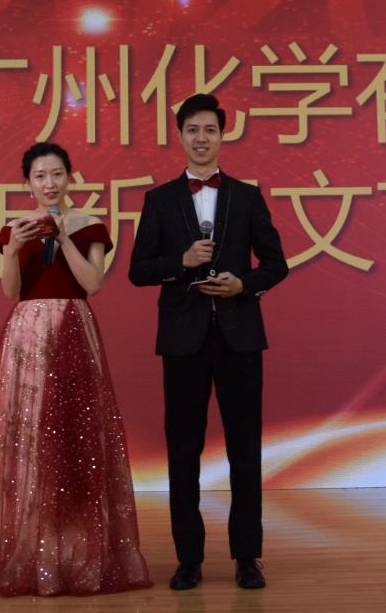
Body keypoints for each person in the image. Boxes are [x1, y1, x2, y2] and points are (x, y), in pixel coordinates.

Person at [0, 142, 153, 596]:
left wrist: (63, 236)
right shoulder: (13, 229)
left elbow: (93, 282)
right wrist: (14, 248)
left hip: (74, 327)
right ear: (27, 183)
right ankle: (30, 545)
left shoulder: (89, 225)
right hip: (28, 335)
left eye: (56, 174)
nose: (49, 183)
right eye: (40, 176)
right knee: (28, 436)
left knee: (76, 438)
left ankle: (77, 549)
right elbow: (9, 290)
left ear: (70, 177)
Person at [127, 93, 289, 591]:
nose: (202, 138)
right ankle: (188, 558)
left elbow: (276, 264)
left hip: (240, 338)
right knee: (183, 452)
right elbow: (138, 270)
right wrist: (182, 262)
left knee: (245, 451)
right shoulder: (159, 200)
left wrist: (244, 284)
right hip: (183, 341)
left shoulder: (247, 196)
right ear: (180, 135)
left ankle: (247, 556)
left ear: (222, 136)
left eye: (210, 130)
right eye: (193, 130)